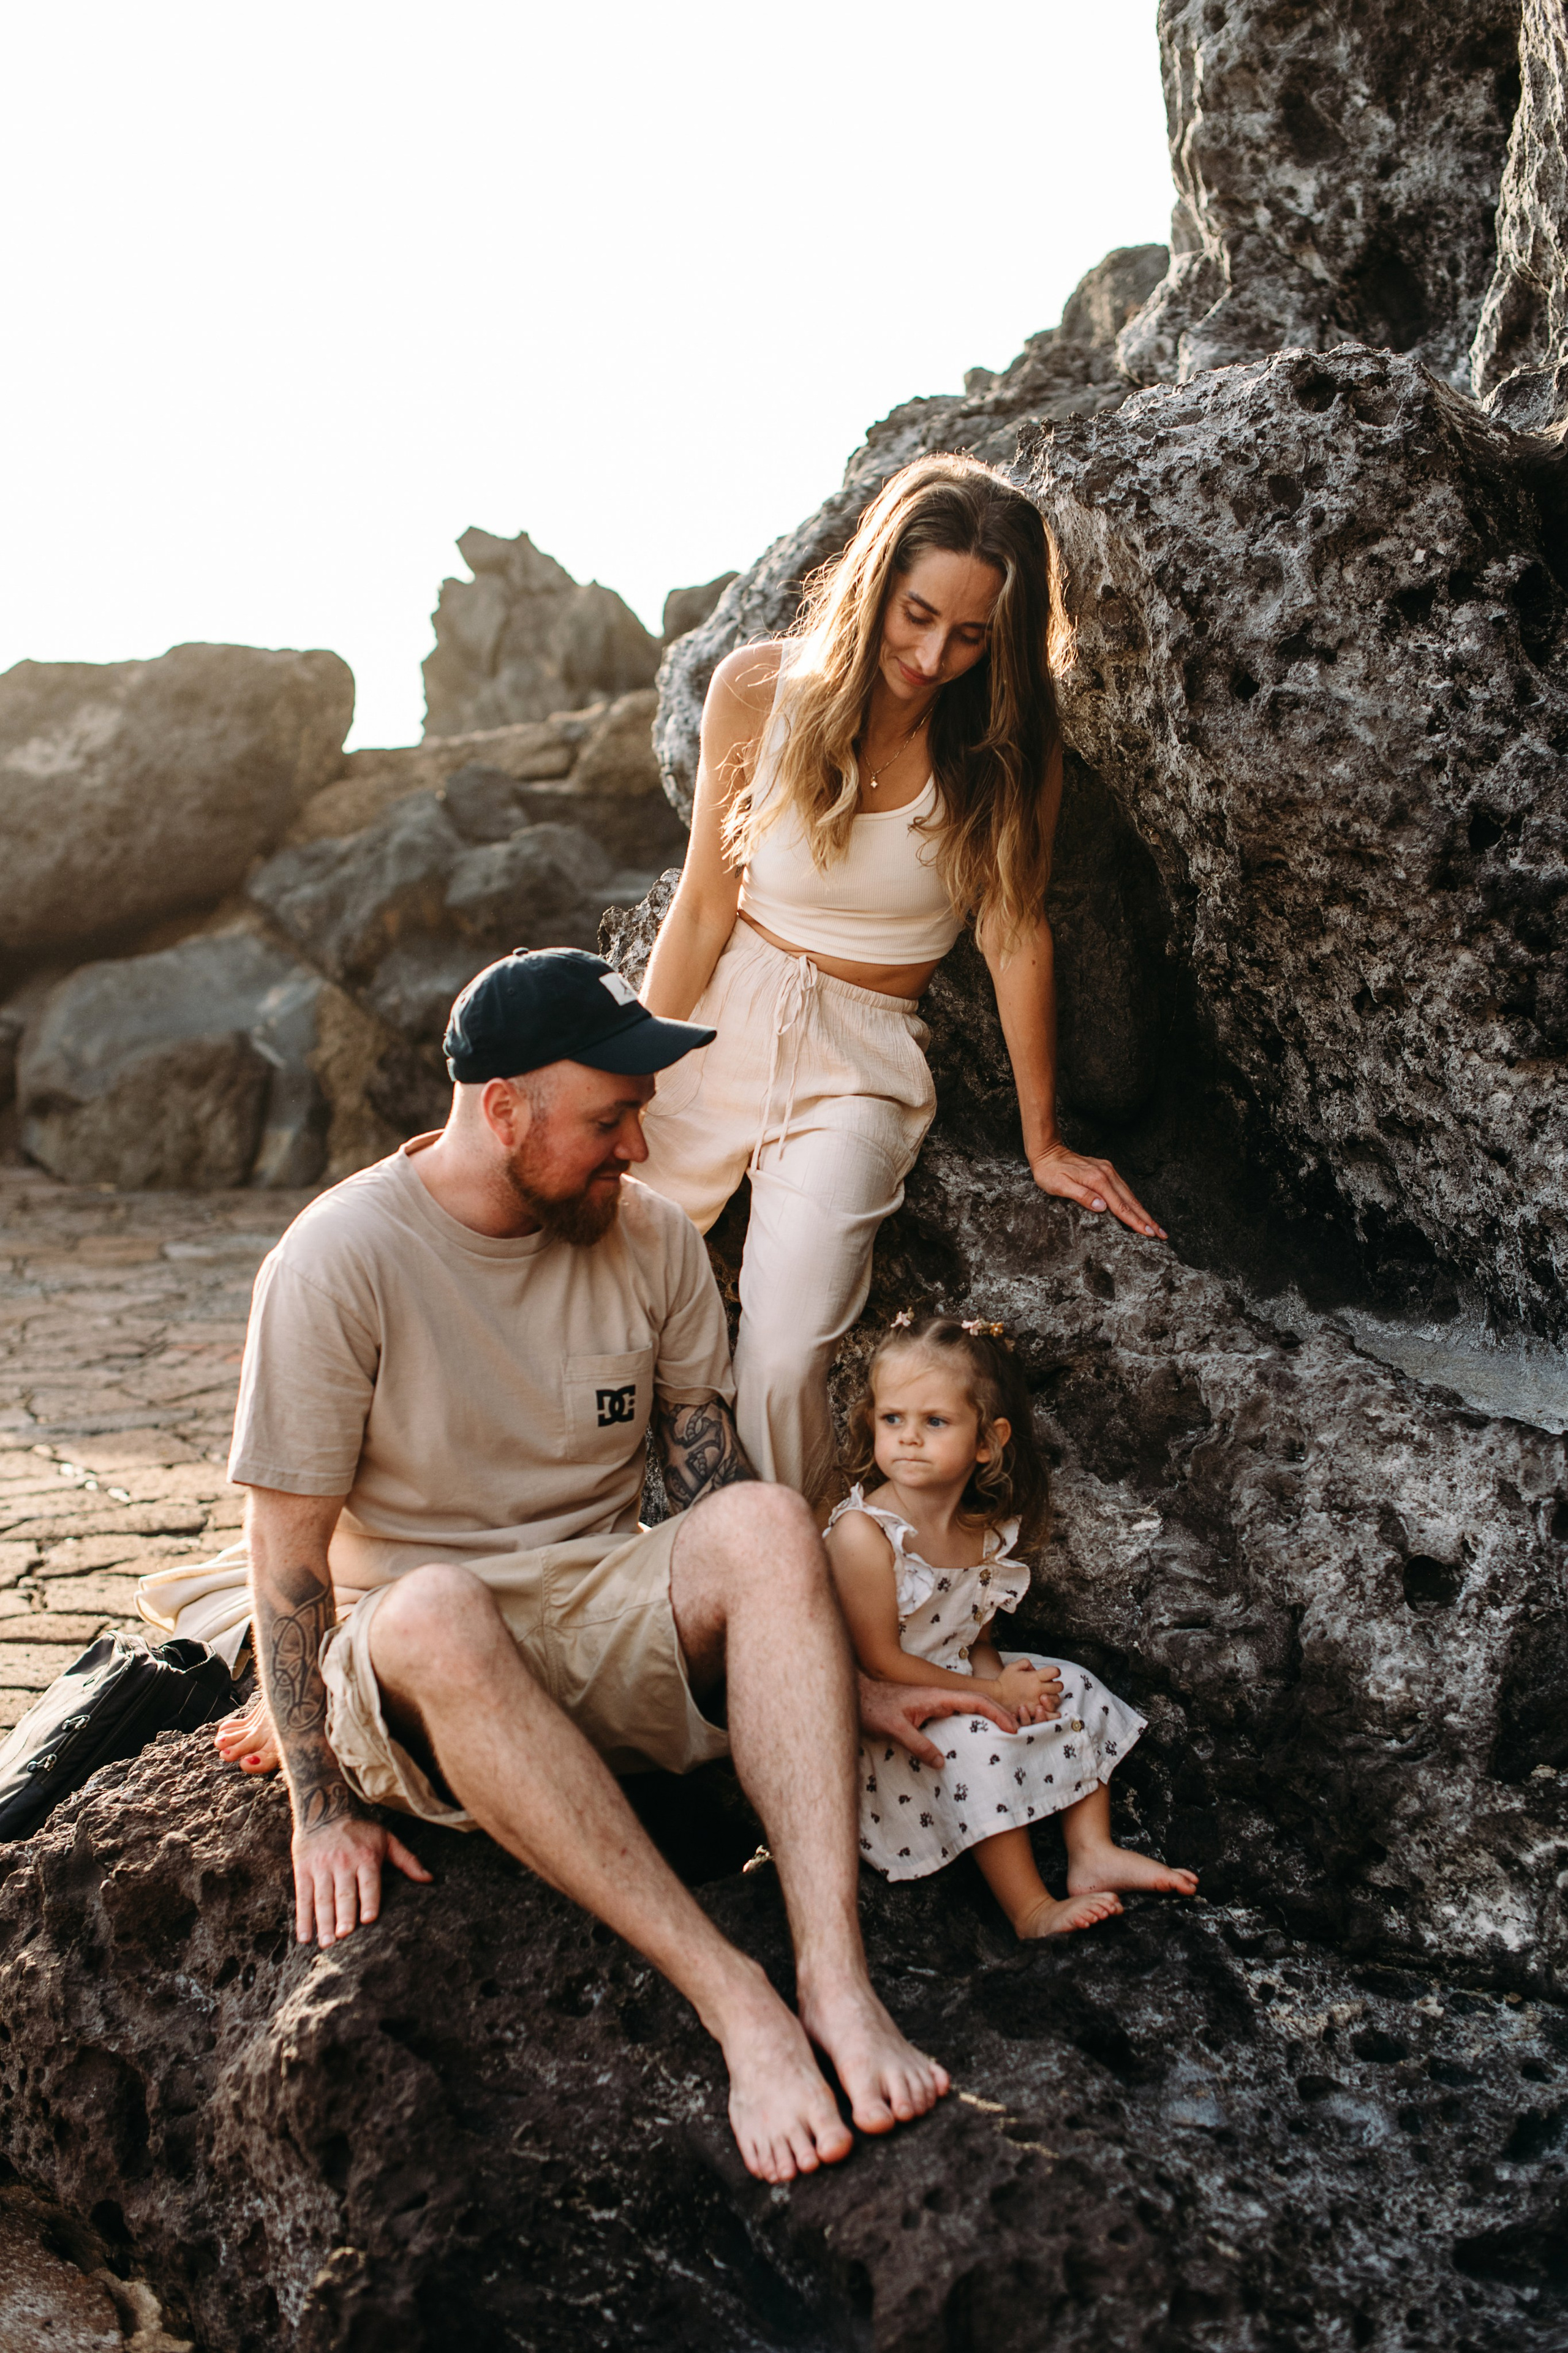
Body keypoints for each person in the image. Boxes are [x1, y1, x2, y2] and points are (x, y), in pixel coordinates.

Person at [199, 948, 1024, 2188]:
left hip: (591, 1603)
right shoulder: (338, 1258)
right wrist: (319, 1808)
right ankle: (738, 2004)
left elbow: (713, 1496)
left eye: (641, 1114)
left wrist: (831, 1675)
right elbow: (287, 1559)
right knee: (438, 1610)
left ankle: (835, 1983)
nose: (637, 1147)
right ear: (503, 1109)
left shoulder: (649, 1238)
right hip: (412, 1643)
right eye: (609, 1119)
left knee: (769, 1523)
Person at [635, 453, 1166, 1513]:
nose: (933, 657)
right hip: (720, 1019)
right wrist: (630, 1075)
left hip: (861, 1058)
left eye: (971, 635)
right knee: (599, 1298)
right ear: (877, 583)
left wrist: (1044, 1140)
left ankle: (788, 1574)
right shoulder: (757, 690)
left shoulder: (1009, 749)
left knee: (786, 1353)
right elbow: (701, 906)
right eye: (917, 616)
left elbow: (1013, 930)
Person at [824, 1313, 1199, 1938]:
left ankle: (1091, 1850)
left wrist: (1008, 1687)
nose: (908, 1438)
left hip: (956, 1680)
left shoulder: (980, 1530)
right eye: (892, 1419)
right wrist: (991, 1696)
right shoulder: (866, 1534)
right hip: (891, 1714)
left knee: (1068, 1684)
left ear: (986, 1441)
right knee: (977, 1743)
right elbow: (881, 1660)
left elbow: (976, 1636)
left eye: (934, 1421)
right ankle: (1029, 1908)